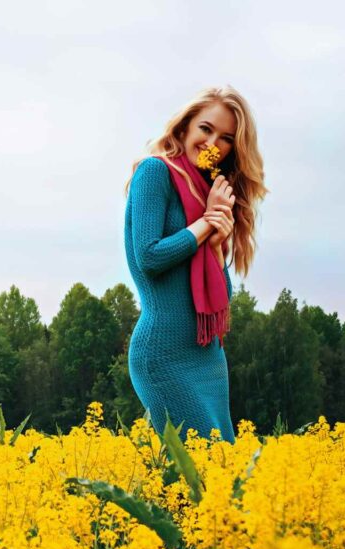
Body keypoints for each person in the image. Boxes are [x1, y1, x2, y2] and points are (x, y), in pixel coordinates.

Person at [124, 85, 267, 444]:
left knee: (222, 476)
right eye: (206, 129)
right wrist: (206, 222)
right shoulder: (154, 173)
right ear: (185, 126)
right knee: (200, 473)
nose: (212, 143)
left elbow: (222, 296)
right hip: (162, 355)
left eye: (226, 139)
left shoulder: (209, 193)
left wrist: (217, 243)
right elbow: (150, 256)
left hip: (207, 356)